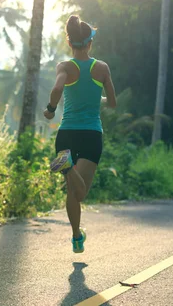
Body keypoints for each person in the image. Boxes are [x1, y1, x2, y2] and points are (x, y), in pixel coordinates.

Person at [43, 15, 117, 253]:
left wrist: (51, 109)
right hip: (90, 135)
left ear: (70, 43)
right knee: (81, 192)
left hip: (66, 134)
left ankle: (76, 237)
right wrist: (99, 98)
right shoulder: (102, 68)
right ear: (89, 43)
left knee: (72, 190)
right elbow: (113, 102)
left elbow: (56, 89)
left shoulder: (64, 67)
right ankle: (69, 167)